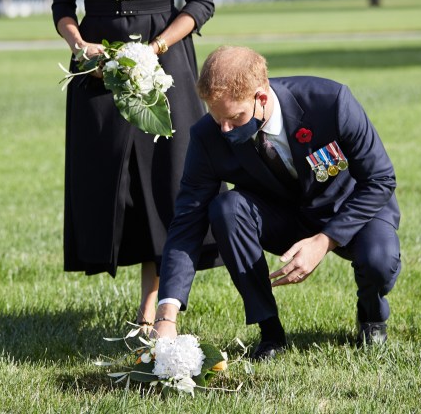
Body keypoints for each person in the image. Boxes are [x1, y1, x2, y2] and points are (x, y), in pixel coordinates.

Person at [52, 0, 220, 328]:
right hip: (99, 57)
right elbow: (63, 4)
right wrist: (78, 42)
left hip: (163, 54)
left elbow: (201, 0)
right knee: (109, 179)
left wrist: (160, 46)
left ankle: (154, 303)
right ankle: (121, 269)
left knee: (161, 180)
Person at [152, 46, 402, 360]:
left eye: (234, 117)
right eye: (217, 118)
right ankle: (270, 332)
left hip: (351, 207)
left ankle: (371, 316)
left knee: (379, 261)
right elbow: (187, 220)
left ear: (262, 97)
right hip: (283, 217)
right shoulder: (208, 136)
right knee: (225, 209)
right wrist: (166, 316)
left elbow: (380, 180)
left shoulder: (331, 102)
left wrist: (324, 241)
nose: (224, 130)